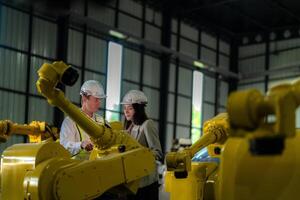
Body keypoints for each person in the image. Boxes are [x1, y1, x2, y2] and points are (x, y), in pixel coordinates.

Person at [121, 90, 163, 200]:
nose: (126, 111)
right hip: (131, 182)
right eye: (125, 108)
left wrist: (140, 155)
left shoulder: (147, 124)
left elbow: (157, 152)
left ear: (138, 109)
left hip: (146, 183)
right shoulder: (128, 128)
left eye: (130, 108)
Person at [60, 80, 106, 157]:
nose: (99, 103)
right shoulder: (71, 121)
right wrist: (81, 145)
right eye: (96, 99)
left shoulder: (102, 122)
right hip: (77, 167)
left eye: (100, 99)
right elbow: (64, 146)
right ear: (84, 98)